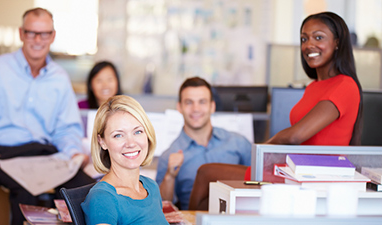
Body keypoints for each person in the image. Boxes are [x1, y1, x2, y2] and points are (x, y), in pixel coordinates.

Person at [0, 8, 95, 225]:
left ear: (52, 36)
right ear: (21, 34)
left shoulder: (60, 79)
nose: (37, 39)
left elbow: (66, 129)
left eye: (44, 33)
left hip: (46, 155)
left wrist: (73, 153)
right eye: (31, 32)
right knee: (26, 193)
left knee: (87, 192)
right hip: (3, 154)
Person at [266, 12, 363, 146]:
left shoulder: (345, 86)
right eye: (304, 39)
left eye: (318, 37)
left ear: (337, 43)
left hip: (321, 166)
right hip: (298, 164)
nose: (308, 45)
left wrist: (262, 148)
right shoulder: (313, 86)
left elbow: (295, 136)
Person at [155, 77, 252, 210]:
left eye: (202, 102)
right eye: (189, 102)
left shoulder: (238, 143)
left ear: (212, 106)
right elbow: (161, 206)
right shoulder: (169, 156)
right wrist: (169, 176)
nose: (196, 109)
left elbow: (262, 181)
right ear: (179, 107)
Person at [81, 95, 168, 225]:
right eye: (118, 135)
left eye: (137, 132)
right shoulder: (102, 198)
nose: (131, 143)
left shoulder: (151, 187)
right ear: (102, 141)